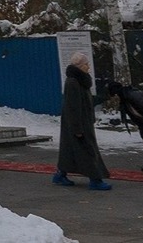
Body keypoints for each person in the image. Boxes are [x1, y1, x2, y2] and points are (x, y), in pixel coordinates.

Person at [53, 51, 111, 190]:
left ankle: (61, 174)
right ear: (79, 66)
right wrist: (77, 128)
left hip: (81, 121)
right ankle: (95, 180)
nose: (88, 67)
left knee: (71, 151)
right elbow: (73, 106)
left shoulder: (80, 80)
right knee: (88, 150)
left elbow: (86, 101)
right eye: (86, 64)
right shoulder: (73, 82)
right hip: (78, 123)